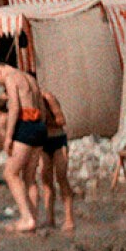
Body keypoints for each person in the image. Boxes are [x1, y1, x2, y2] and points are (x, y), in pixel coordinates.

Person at [0, 62, 47, 232]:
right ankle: (33, 217)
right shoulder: (30, 78)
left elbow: (14, 106)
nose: (1, 84)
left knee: (10, 173)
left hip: (26, 124)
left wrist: (8, 136)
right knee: (29, 177)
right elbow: (42, 107)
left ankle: (26, 217)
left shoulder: (11, 78)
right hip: (39, 125)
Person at [38, 88, 75, 231]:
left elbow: (61, 120)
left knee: (61, 178)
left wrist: (43, 120)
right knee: (46, 181)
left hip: (57, 139)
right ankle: (49, 219)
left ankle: (69, 219)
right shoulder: (27, 101)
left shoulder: (47, 98)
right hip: (42, 143)